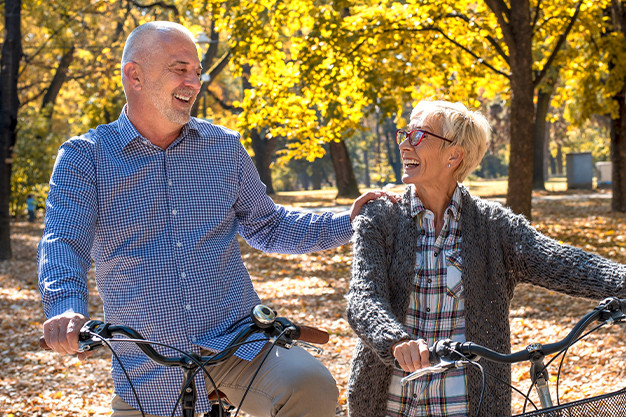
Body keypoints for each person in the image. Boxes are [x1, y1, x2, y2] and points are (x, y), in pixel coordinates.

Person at [38, 21, 390, 417]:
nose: (194, 82)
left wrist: (350, 220)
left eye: (197, 70)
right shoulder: (85, 157)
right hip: (147, 365)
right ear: (134, 76)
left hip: (238, 344)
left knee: (311, 386)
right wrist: (65, 306)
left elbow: (268, 225)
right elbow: (64, 242)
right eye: (180, 69)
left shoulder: (224, 147)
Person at [346, 100, 626, 417]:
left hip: (469, 406)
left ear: (454, 156)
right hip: (388, 405)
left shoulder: (493, 226)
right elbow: (363, 297)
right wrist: (395, 340)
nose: (404, 145)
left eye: (419, 136)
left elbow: (563, 262)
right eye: (405, 134)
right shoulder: (380, 217)